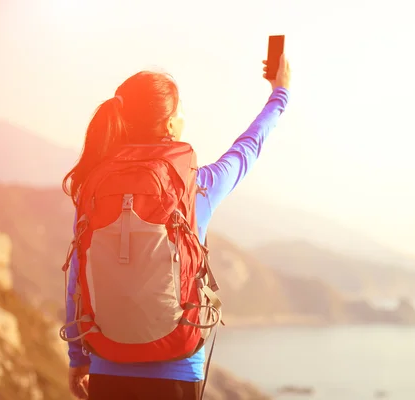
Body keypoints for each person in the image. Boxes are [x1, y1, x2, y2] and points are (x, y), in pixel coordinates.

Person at [62, 54, 291, 400]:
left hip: (107, 364)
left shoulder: (94, 187)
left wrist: (77, 359)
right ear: (170, 125)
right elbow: (248, 147)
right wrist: (280, 93)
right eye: (180, 109)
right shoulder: (197, 187)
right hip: (177, 369)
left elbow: (76, 278)